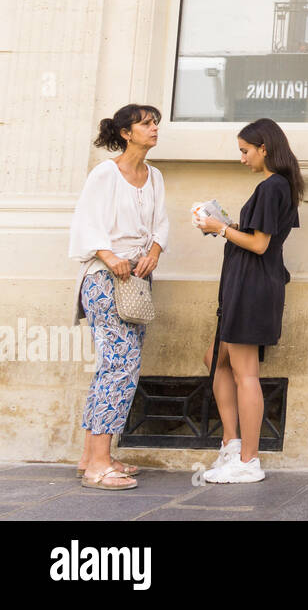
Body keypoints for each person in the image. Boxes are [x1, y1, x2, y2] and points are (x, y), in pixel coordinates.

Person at [68, 105, 170, 491]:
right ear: (126, 133)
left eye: (155, 122)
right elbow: (86, 222)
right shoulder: (105, 173)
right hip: (104, 279)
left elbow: (161, 225)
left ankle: (92, 456)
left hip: (137, 281)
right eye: (146, 123)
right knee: (119, 367)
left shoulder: (155, 176)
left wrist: (154, 253)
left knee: (116, 365)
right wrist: (111, 258)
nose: (154, 128)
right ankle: (97, 466)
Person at [197, 119, 302, 483]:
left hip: (254, 288)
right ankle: (231, 443)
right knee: (216, 358)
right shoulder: (278, 185)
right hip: (246, 285)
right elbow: (258, 236)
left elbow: (260, 244)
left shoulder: (273, 186)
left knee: (246, 374)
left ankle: (248, 460)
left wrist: (220, 229)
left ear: (264, 148)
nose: (242, 158)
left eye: (245, 151)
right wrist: (226, 225)